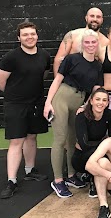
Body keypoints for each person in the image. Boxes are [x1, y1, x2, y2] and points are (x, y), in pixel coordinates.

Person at [44, 29, 104, 198]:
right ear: (82, 44)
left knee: (73, 139)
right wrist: (48, 102)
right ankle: (58, 180)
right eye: (87, 42)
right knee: (60, 138)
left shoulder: (98, 65)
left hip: (79, 101)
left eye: (93, 42)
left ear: (97, 44)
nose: (90, 45)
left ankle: (71, 175)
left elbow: (95, 89)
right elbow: (57, 80)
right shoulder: (72, 59)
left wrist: (86, 105)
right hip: (62, 98)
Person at [0, 22, 50, 199]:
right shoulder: (11, 57)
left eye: (32, 34)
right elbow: (0, 81)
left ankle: (30, 170)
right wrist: (15, 95)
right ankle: (11, 181)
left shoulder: (44, 55)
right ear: (19, 38)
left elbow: (43, 75)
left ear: (37, 36)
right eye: (25, 35)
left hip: (35, 103)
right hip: (15, 105)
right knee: (16, 141)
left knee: (32, 137)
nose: (29, 37)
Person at [72, 88, 111, 198]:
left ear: (107, 103)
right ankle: (93, 181)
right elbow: (84, 144)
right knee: (100, 156)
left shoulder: (110, 114)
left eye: (104, 100)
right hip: (82, 157)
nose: (101, 103)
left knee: (109, 154)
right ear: (91, 101)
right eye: (98, 99)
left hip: (99, 152)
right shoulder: (82, 116)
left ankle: (103, 180)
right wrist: (104, 145)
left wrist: (107, 145)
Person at [53, 7, 109, 76]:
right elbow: (59, 60)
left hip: (92, 80)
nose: (95, 19)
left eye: (98, 17)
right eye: (92, 16)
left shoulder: (106, 42)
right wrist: (58, 81)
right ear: (86, 18)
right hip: (71, 80)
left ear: (102, 20)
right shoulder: (72, 35)